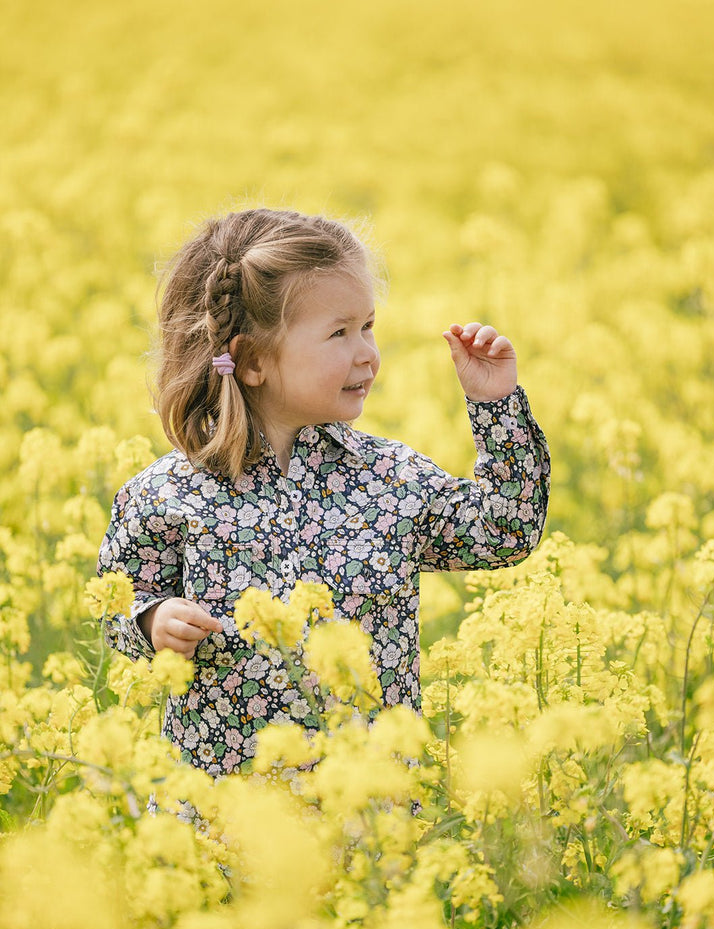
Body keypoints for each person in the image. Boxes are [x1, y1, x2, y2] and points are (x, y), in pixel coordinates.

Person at [97, 207, 551, 777]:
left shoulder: (387, 479)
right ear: (252, 361)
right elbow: (117, 605)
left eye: (368, 326)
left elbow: (503, 532)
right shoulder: (165, 496)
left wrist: (496, 406)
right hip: (225, 828)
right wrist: (153, 621)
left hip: (371, 822)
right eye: (339, 332)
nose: (366, 352)